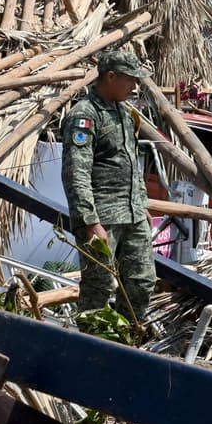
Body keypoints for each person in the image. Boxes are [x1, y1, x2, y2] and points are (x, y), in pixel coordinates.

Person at [61, 49, 157, 329]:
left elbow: (130, 163)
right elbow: (76, 172)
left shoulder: (125, 114)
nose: (134, 86)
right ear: (111, 77)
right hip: (102, 217)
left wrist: (141, 205)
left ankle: (128, 339)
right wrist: (89, 221)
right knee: (99, 285)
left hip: (132, 214)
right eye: (130, 79)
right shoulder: (85, 115)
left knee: (142, 281)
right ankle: (91, 348)